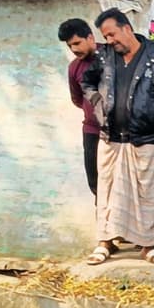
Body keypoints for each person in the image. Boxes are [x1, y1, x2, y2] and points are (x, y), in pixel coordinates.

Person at [81, 8, 154, 266]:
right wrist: (97, 101)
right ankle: (105, 242)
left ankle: (148, 246)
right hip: (110, 137)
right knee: (107, 191)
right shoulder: (104, 56)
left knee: (146, 194)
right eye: (106, 36)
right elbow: (86, 81)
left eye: (112, 34)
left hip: (146, 137)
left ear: (127, 28)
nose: (110, 40)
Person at [58, 18, 101, 198]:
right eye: (70, 46)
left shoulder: (111, 57)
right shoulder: (74, 67)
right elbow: (77, 99)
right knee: (95, 183)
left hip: (119, 133)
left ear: (90, 37)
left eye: (77, 43)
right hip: (92, 131)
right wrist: (92, 112)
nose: (74, 49)